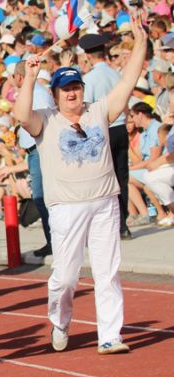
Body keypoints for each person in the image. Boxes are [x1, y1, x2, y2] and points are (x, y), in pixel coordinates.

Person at [14, 16, 147, 355]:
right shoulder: (46, 119)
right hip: (67, 208)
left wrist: (141, 44)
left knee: (107, 272)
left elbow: (128, 82)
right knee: (66, 277)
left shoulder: (98, 111)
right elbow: (21, 115)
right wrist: (30, 78)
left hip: (104, 202)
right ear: (55, 95)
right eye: (66, 89)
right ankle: (60, 322)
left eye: (76, 87)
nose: (72, 93)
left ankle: (110, 335)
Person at [81, 33, 132, 239]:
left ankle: (114, 223)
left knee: (106, 178)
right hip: (120, 128)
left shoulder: (90, 78)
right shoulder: (115, 74)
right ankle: (123, 223)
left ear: (88, 56)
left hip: (104, 129)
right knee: (122, 177)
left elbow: (87, 108)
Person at [10, 61, 56, 257]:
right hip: (36, 149)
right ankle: (53, 240)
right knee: (41, 196)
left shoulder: (36, 94)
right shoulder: (34, 92)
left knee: (41, 196)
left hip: (40, 149)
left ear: (19, 77)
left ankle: (54, 241)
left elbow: (45, 122)